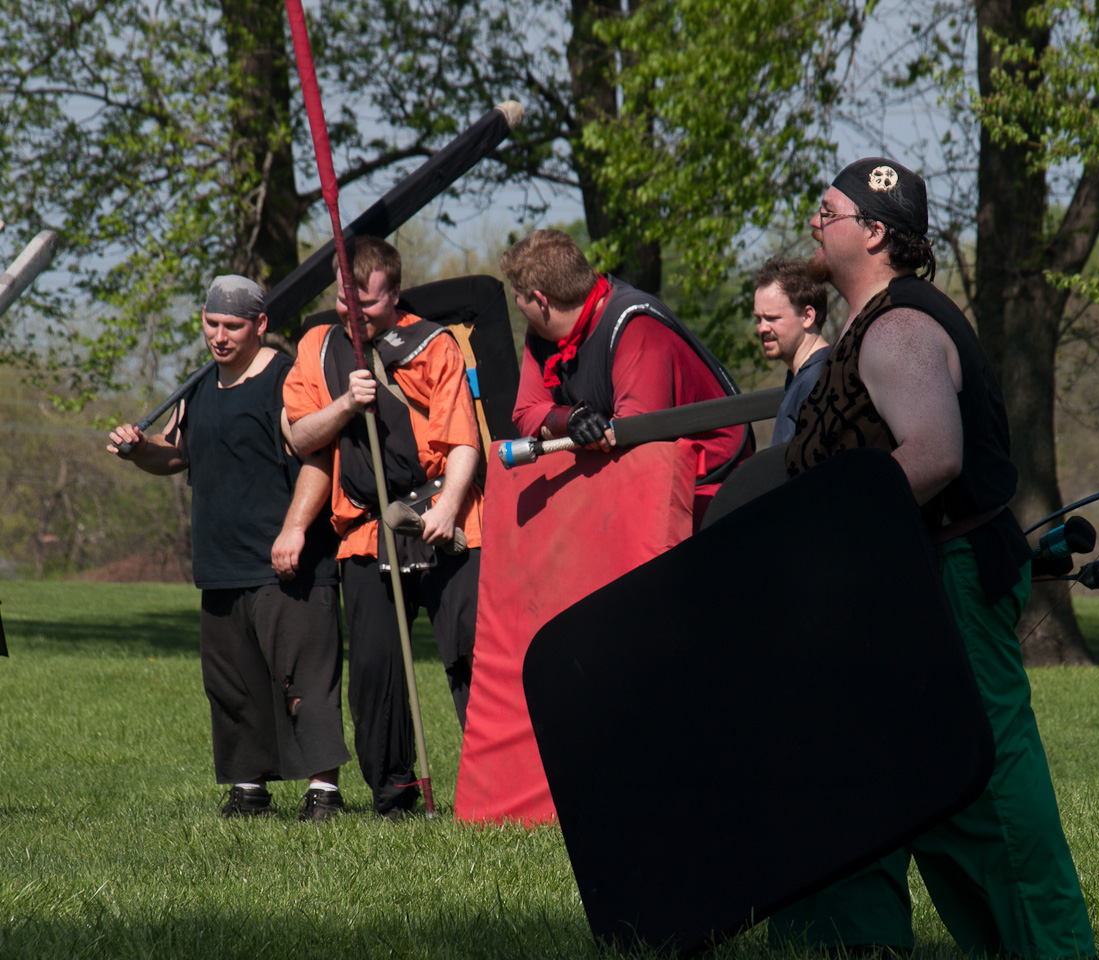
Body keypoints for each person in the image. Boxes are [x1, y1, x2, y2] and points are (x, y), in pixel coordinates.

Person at [772, 158, 1096, 959]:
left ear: (874, 233)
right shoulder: (868, 325)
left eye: (827, 213)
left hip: (947, 580)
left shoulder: (901, 328)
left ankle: (1049, 950)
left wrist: (827, 528)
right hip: (897, 586)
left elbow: (934, 455)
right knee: (880, 782)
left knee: (986, 788)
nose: (814, 223)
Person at [108, 275, 350, 822]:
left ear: (260, 325)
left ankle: (323, 792)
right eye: (211, 323)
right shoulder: (198, 385)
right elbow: (176, 454)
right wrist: (139, 449)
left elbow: (318, 457)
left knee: (304, 679)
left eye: (232, 326)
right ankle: (248, 788)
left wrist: (294, 529)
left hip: (287, 562)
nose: (219, 336)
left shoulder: (286, 379)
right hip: (220, 562)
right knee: (232, 683)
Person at [282, 236, 483, 820]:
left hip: (445, 515)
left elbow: (464, 440)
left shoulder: (434, 345)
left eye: (366, 303)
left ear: (394, 294)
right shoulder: (318, 347)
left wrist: (446, 510)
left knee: (470, 655)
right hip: (368, 528)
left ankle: (491, 788)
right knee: (375, 671)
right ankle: (394, 795)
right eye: (345, 300)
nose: (354, 312)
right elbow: (300, 436)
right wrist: (347, 404)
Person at [501, 229, 751, 524]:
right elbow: (525, 413)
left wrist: (564, 428)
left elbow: (635, 443)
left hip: (713, 491)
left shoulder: (634, 324)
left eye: (518, 298)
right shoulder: (542, 334)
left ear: (541, 300)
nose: (518, 307)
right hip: (643, 488)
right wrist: (571, 420)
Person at [751, 257, 830, 446]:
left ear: (807, 317)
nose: (762, 328)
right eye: (759, 319)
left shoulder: (818, 382)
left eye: (772, 318)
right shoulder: (801, 377)